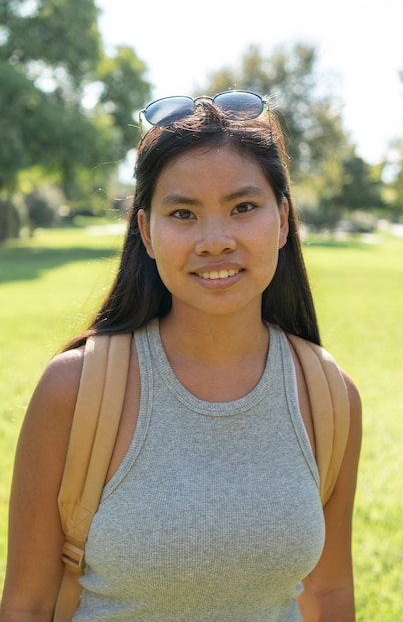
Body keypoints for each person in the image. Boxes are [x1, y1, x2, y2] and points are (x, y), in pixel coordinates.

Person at [0, 90, 362, 622]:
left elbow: (329, 594)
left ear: (283, 221)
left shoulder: (329, 396)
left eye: (243, 207)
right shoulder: (74, 391)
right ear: (147, 232)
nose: (215, 241)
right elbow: (26, 604)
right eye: (183, 213)